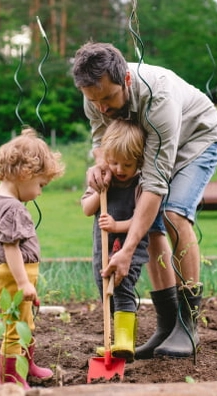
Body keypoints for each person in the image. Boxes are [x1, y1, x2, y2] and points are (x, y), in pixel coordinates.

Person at [71, 41, 217, 359]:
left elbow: (155, 185)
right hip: (149, 149)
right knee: (153, 228)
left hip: (198, 139)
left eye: (108, 98)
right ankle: (166, 325)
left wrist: (127, 251)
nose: (101, 107)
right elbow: (101, 139)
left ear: (125, 80)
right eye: (93, 101)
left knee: (173, 215)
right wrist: (99, 165)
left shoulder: (159, 100)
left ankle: (187, 323)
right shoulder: (97, 97)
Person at [0, 127, 65, 387]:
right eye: (40, 185)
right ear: (26, 174)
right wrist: (24, 282)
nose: (39, 192)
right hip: (15, 277)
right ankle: (12, 380)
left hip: (3, 272)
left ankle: (27, 365)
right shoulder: (13, 208)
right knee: (15, 328)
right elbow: (11, 247)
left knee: (24, 321)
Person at [79, 119, 150, 361]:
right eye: (114, 162)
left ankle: (124, 342)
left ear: (139, 161)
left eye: (127, 164)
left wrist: (117, 225)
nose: (120, 169)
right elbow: (87, 209)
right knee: (105, 291)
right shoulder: (101, 180)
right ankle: (117, 339)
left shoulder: (141, 185)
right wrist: (101, 190)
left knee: (122, 287)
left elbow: (143, 218)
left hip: (129, 248)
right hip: (104, 248)